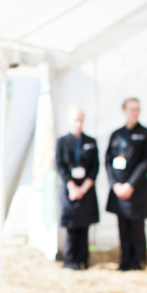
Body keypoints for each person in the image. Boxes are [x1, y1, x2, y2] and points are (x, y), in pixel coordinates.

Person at [105, 98, 147, 270]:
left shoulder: (146, 134)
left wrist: (130, 185)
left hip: (136, 189)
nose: (135, 112)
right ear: (124, 110)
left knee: (137, 227)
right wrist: (115, 185)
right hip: (119, 189)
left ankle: (138, 262)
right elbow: (108, 161)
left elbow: (145, 162)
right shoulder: (116, 134)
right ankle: (124, 261)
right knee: (123, 227)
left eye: (138, 109)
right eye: (132, 109)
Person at [55, 106, 99, 270]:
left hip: (85, 190)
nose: (78, 123)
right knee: (72, 227)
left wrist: (84, 188)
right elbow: (60, 166)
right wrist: (72, 187)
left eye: (80, 119)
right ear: (69, 121)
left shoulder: (90, 142)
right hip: (69, 190)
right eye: (75, 120)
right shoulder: (62, 141)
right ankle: (70, 260)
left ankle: (83, 260)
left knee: (84, 225)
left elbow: (95, 167)